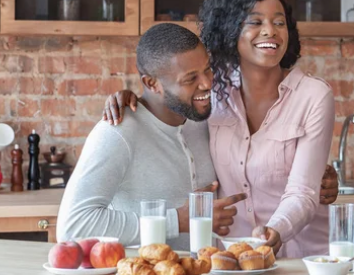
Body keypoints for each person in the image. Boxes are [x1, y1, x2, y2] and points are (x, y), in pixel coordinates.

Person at [102, 0, 337, 258]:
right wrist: (134, 98)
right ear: (229, 29)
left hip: (303, 259)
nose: (270, 31)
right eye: (256, 22)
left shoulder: (313, 95)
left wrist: (275, 230)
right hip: (231, 257)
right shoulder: (213, 91)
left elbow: (302, 191)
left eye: (279, 22)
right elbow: (169, 100)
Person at [57, 23, 247, 250]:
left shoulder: (204, 119)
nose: (207, 83)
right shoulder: (117, 132)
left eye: (207, 69)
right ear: (151, 83)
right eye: (190, 79)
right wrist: (178, 221)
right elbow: (73, 228)